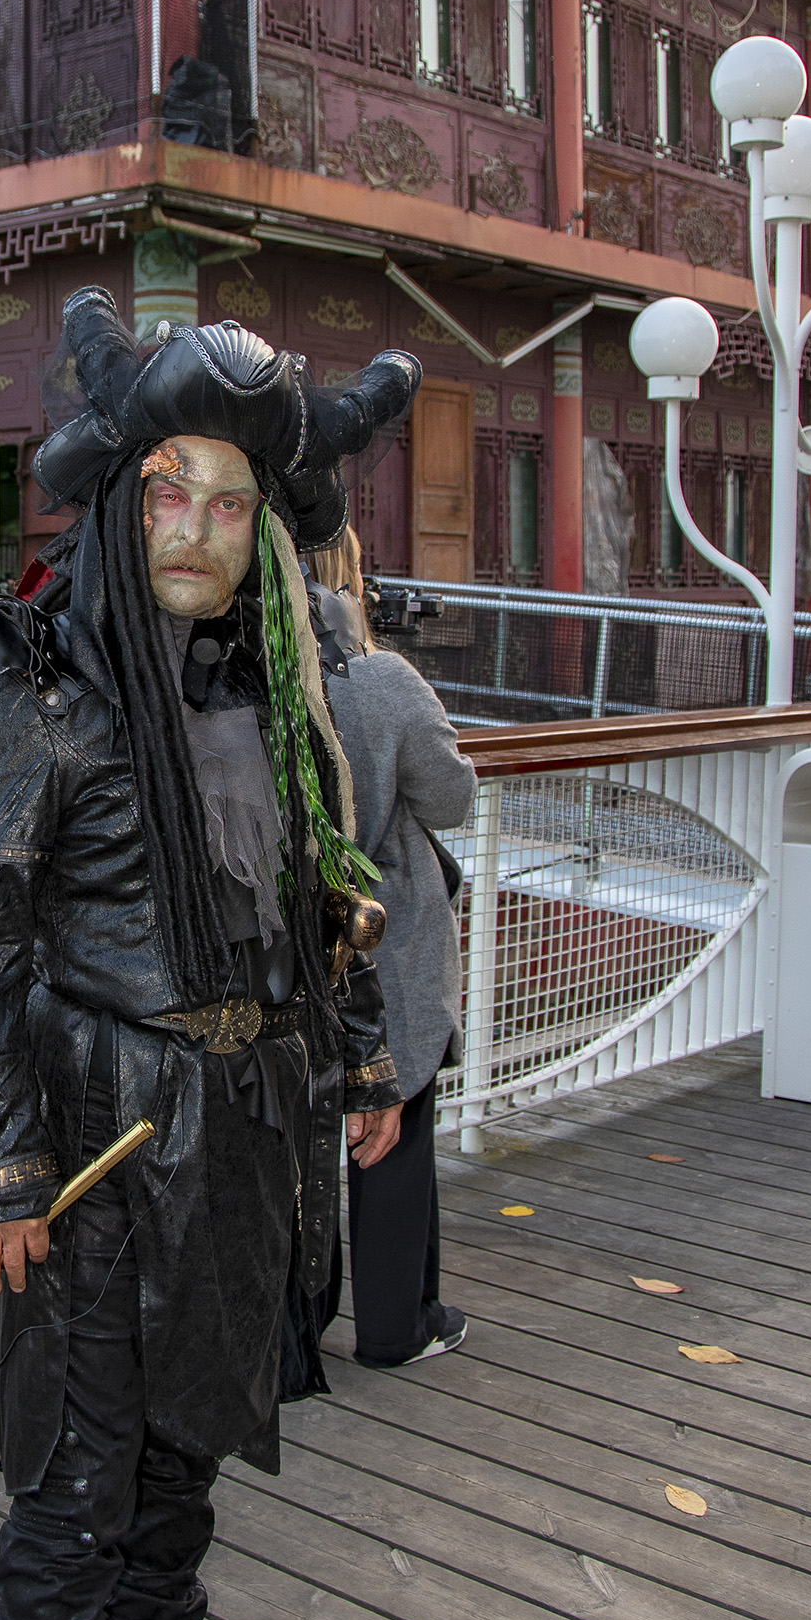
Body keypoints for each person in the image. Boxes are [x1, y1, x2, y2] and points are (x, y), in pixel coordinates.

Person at [0, 291, 421, 1620]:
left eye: (229, 499)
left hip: (246, 1128)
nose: (195, 525)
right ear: (122, 504)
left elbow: (319, 889)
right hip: (91, 1134)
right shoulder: (38, 696)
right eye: (168, 489)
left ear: (264, 527)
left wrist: (367, 1055)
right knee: (70, 1488)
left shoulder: (284, 693)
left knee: (189, 1440)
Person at [315, 528, 477, 1368]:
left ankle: (293, 1337)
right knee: (396, 1124)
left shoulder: (239, 679)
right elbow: (449, 798)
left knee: (300, 1138)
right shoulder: (380, 681)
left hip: (278, 940)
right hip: (388, 933)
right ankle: (395, 1325)